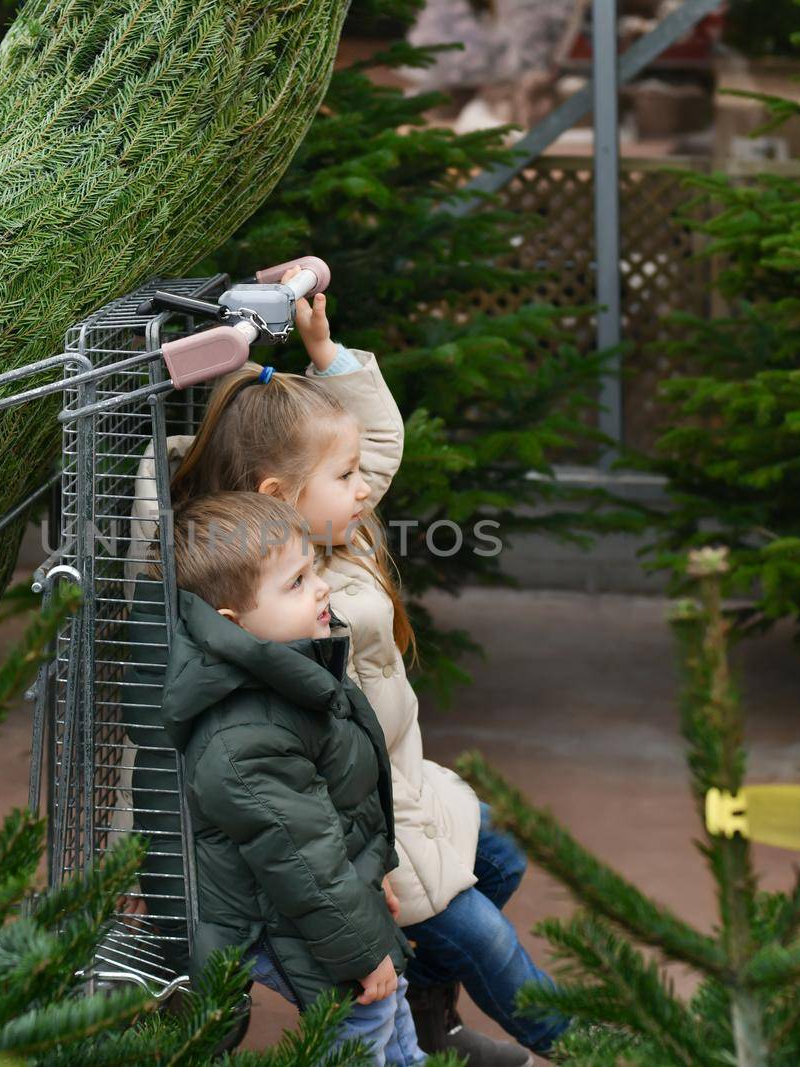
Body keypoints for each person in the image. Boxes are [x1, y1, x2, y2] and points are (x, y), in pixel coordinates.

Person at [145, 279, 569, 1065]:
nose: (366, 488)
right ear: (280, 497)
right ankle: (596, 1045)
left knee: (497, 857)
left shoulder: (322, 534)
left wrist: (322, 351)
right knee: (484, 935)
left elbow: (366, 446)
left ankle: (431, 1012)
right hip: (354, 821)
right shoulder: (277, 592)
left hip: (392, 778)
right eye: (344, 480)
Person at [163, 491, 424, 1066]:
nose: (322, 587)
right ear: (235, 624)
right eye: (297, 582)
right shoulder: (243, 734)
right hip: (280, 918)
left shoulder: (291, 669)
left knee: (394, 1009)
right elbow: (301, 859)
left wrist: (374, 869)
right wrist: (359, 950)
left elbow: (338, 807)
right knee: (363, 1018)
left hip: (329, 900)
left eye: (313, 570)